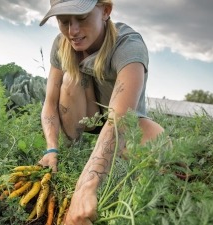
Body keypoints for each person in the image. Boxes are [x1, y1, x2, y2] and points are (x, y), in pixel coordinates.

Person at [38, 0, 165, 224]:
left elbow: (119, 120)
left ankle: (113, 159)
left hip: (124, 121)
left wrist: (86, 187)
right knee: (69, 81)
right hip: (86, 114)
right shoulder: (62, 44)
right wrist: (51, 148)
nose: (72, 31)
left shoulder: (128, 45)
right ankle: (70, 154)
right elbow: (50, 103)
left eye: (82, 18)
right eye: (63, 21)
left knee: (163, 146)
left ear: (105, 11)